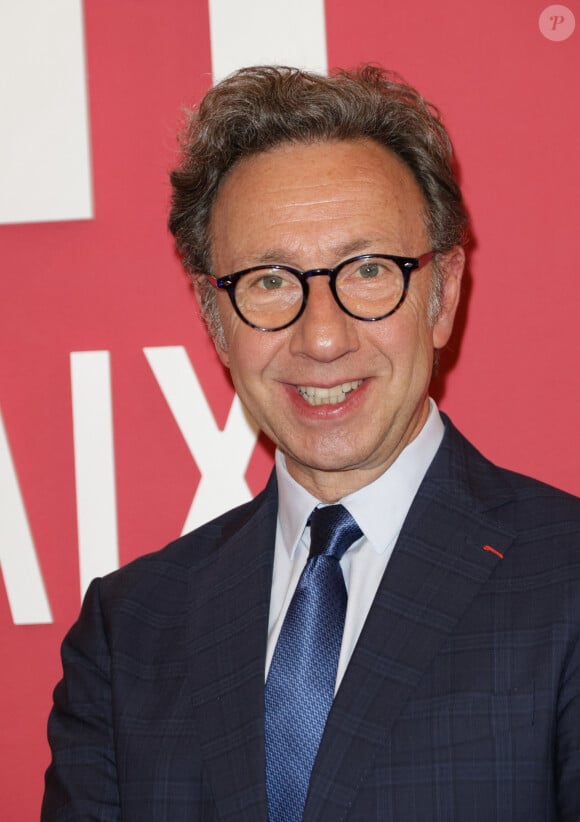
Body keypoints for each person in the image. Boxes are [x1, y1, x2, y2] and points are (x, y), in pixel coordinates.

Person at [42, 65, 580, 821]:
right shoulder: (129, 630)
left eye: (367, 271)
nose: (321, 337)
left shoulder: (566, 580)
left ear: (443, 293)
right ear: (213, 316)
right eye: (268, 280)